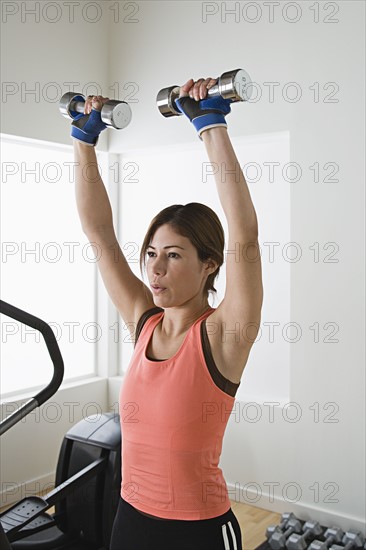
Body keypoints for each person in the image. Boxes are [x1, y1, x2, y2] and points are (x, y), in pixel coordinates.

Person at [72, 76, 263, 550]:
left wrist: (210, 125)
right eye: (152, 253)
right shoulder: (144, 321)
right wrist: (84, 140)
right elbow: (99, 234)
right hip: (130, 519)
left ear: (209, 265)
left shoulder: (224, 334)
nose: (156, 269)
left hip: (198, 531)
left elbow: (244, 238)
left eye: (174, 255)